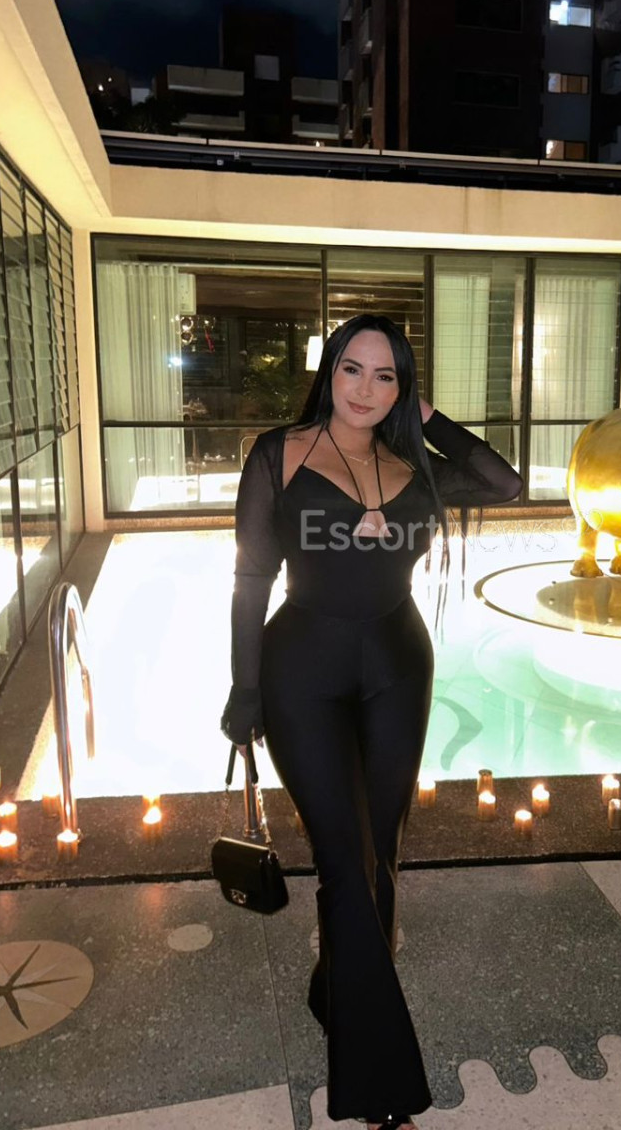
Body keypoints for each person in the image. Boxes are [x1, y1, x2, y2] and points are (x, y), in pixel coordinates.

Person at [220, 313, 522, 1129]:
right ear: (329, 371)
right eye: (352, 368)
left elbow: (503, 482)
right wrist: (244, 690)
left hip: (397, 668)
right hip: (303, 673)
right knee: (345, 865)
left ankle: (336, 992)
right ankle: (382, 1093)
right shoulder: (280, 453)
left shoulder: (412, 465)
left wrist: (428, 419)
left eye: (386, 375)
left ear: (402, 388)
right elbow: (251, 577)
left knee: (379, 854)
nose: (365, 388)